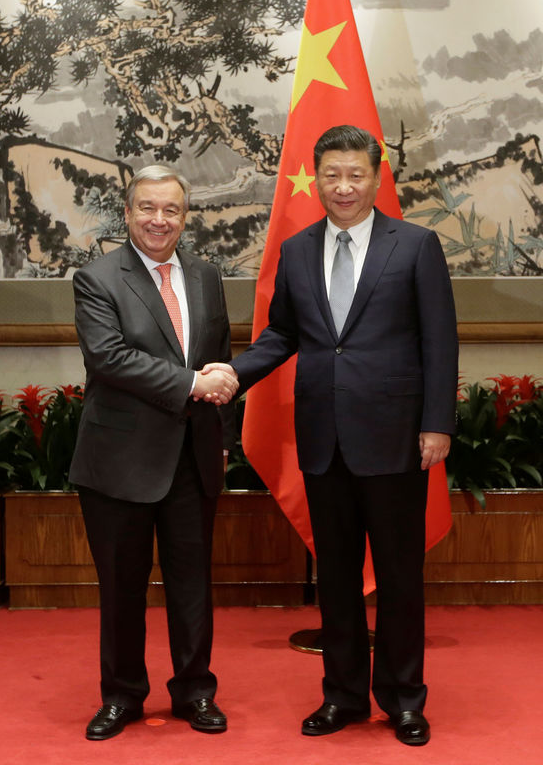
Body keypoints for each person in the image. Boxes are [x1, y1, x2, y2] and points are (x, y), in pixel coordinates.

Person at [203, 125, 458, 746]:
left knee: (399, 576)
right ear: (315, 178)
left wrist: (436, 424)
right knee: (337, 577)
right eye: (332, 175)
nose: (343, 187)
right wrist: (235, 371)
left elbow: (440, 341)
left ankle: (402, 699)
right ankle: (342, 696)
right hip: (321, 438)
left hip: (397, 437)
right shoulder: (295, 250)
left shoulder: (416, 246)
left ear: (377, 177)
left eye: (356, 174)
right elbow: (282, 336)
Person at [69, 164, 238, 741]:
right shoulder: (96, 278)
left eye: (171, 210)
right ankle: (121, 696)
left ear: (185, 217)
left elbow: (222, 362)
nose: (158, 220)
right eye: (147, 208)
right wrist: (192, 385)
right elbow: (109, 359)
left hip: (193, 457)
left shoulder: (208, 277)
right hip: (119, 464)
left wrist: (222, 441)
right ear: (128, 211)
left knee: (193, 585)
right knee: (122, 587)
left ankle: (195, 692)